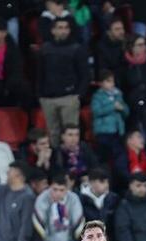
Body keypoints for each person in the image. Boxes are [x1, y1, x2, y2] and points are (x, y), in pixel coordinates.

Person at [37, 17, 90, 145]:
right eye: (60, 28)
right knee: (53, 134)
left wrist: (78, 95)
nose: (64, 31)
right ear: (53, 30)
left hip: (69, 98)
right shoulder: (44, 49)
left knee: (71, 133)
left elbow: (85, 74)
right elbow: (39, 73)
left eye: (66, 28)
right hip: (48, 98)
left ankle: (72, 157)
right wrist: (40, 95)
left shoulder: (77, 49)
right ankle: (56, 157)